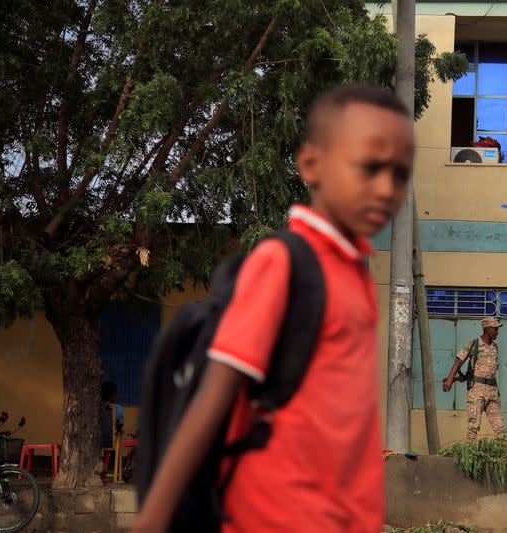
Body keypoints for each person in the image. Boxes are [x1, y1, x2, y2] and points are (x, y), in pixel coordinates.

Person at [134, 84, 414, 533]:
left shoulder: (357, 270)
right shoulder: (284, 262)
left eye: (401, 174)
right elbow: (213, 396)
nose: (386, 188)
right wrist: (152, 520)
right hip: (274, 516)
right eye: (370, 167)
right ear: (311, 164)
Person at [442, 316, 506, 441]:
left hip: (492, 391)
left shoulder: (495, 347)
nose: (497, 332)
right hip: (477, 391)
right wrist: (449, 380)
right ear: (487, 329)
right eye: (495, 329)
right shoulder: (473, 344)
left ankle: (505, 456)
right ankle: (469, 455)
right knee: (474, 426)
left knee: (500, 428)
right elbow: (458, 362)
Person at [101, 381, 124, 449]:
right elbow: (120, 425)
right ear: (112, 394)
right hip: (109, 444)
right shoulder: (117, 408)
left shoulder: (94, 407)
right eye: (115, 393)